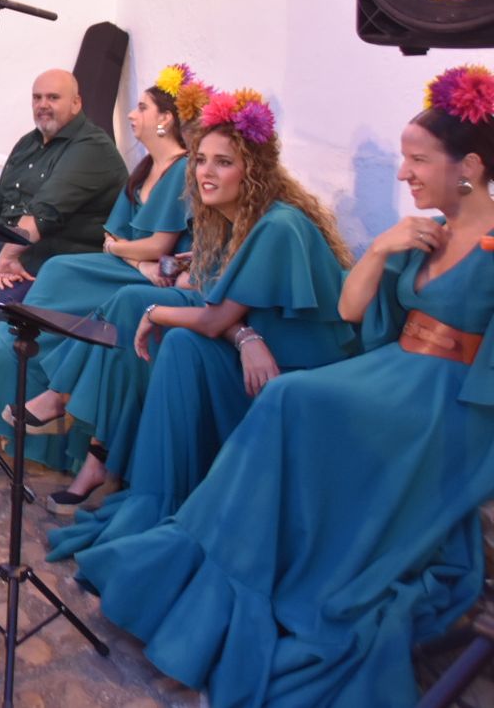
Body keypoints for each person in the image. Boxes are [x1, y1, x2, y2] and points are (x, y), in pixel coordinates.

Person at [76, 66, 494, 706]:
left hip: (448, 400)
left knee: (293, 396)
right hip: (393, 372)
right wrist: (381, 248)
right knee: (285, 399)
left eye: (417, 160)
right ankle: (208, 568)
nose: (403, 174)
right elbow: (354, 309)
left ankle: (237, 584)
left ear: (468, 166)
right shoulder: (422, 232)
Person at [46, 87, 356, 563]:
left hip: (294, 369)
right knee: (163, 331)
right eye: (201, 160)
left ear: (253, 170)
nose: (206, 172)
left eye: (223, 162)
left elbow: (214, 318)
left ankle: (129, 471)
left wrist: (158, 314)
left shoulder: (278, 224)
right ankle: (133, 477)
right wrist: (244, 335)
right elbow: (220, 309)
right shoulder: (227, 221)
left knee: (167, 331)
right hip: (255, 354)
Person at [0, 64, 205, 507]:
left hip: (137, 271)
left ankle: (44, 385)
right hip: (119, 263)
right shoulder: (142, 169)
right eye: (37, 97)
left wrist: (124, 252)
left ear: (165, 119)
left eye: (142, 107)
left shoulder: (167, 168)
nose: (132, 114)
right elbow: (111, 234)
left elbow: (154, 244)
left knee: (60, 272)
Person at [0, 68, 128, 347]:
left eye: (53, 97)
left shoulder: (92, 146)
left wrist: (8, 256)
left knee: (12, 300)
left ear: (76, 103)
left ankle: (3, 373)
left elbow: (45, 211)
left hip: (50, 257)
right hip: (7, 245)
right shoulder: (27, 143)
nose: (43, 105)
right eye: (37, 97)